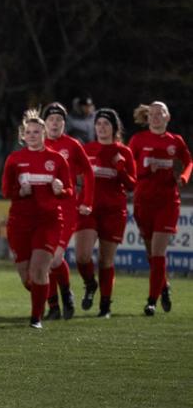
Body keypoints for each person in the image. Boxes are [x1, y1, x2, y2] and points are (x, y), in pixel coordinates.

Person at [2, 110, 72, 328]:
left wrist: (61, 190)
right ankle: (47, 299)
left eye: (37, 132)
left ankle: (36, 318)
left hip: (48, 221)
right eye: (29, 132)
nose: (32, 135)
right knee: (27, 278)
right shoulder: (14, 159)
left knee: (39, 270)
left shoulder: (57, 159)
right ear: (23, 135)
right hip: (20, 223)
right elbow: (6, 191)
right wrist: (19, 192)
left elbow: (69, 191)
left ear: (44, 134)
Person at [128, 101, 192, 316]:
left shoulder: (175, 141)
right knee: (150, 253)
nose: (155, 116)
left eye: (160, 113)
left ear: (168, 117)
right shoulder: (138, 140)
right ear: (148, 118)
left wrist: (184, 177)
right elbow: (129, 170)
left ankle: (151, 301)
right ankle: (163, 286)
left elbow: (189, 162)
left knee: (158, 252)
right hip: (143, 202)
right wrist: (145, 170)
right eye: (152, 113)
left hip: (167, 202)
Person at [79, 108, 136, 318]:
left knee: (106, 260)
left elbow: (132, 185)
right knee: (82, 256)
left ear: (114, 128)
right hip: (88, 208)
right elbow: (74, 175)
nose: (102, 127)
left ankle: (105, 305)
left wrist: (120, 167)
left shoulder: (124, 152)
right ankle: (90, 283)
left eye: (106, 124)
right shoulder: (86, 149)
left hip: (113, 211)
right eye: (99, 124)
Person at [41, 102, 95, 320]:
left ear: (64, 123)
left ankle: (66, 293)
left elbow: (89, 173)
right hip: (42, 210)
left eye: (59, 120)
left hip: (66, 209)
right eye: (51, 120)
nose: (55, 123)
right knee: (44, 260)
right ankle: (54, 306)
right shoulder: (37, 144)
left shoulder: (72, 145)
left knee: (54, 259)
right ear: (44, 123)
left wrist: (87, 201)